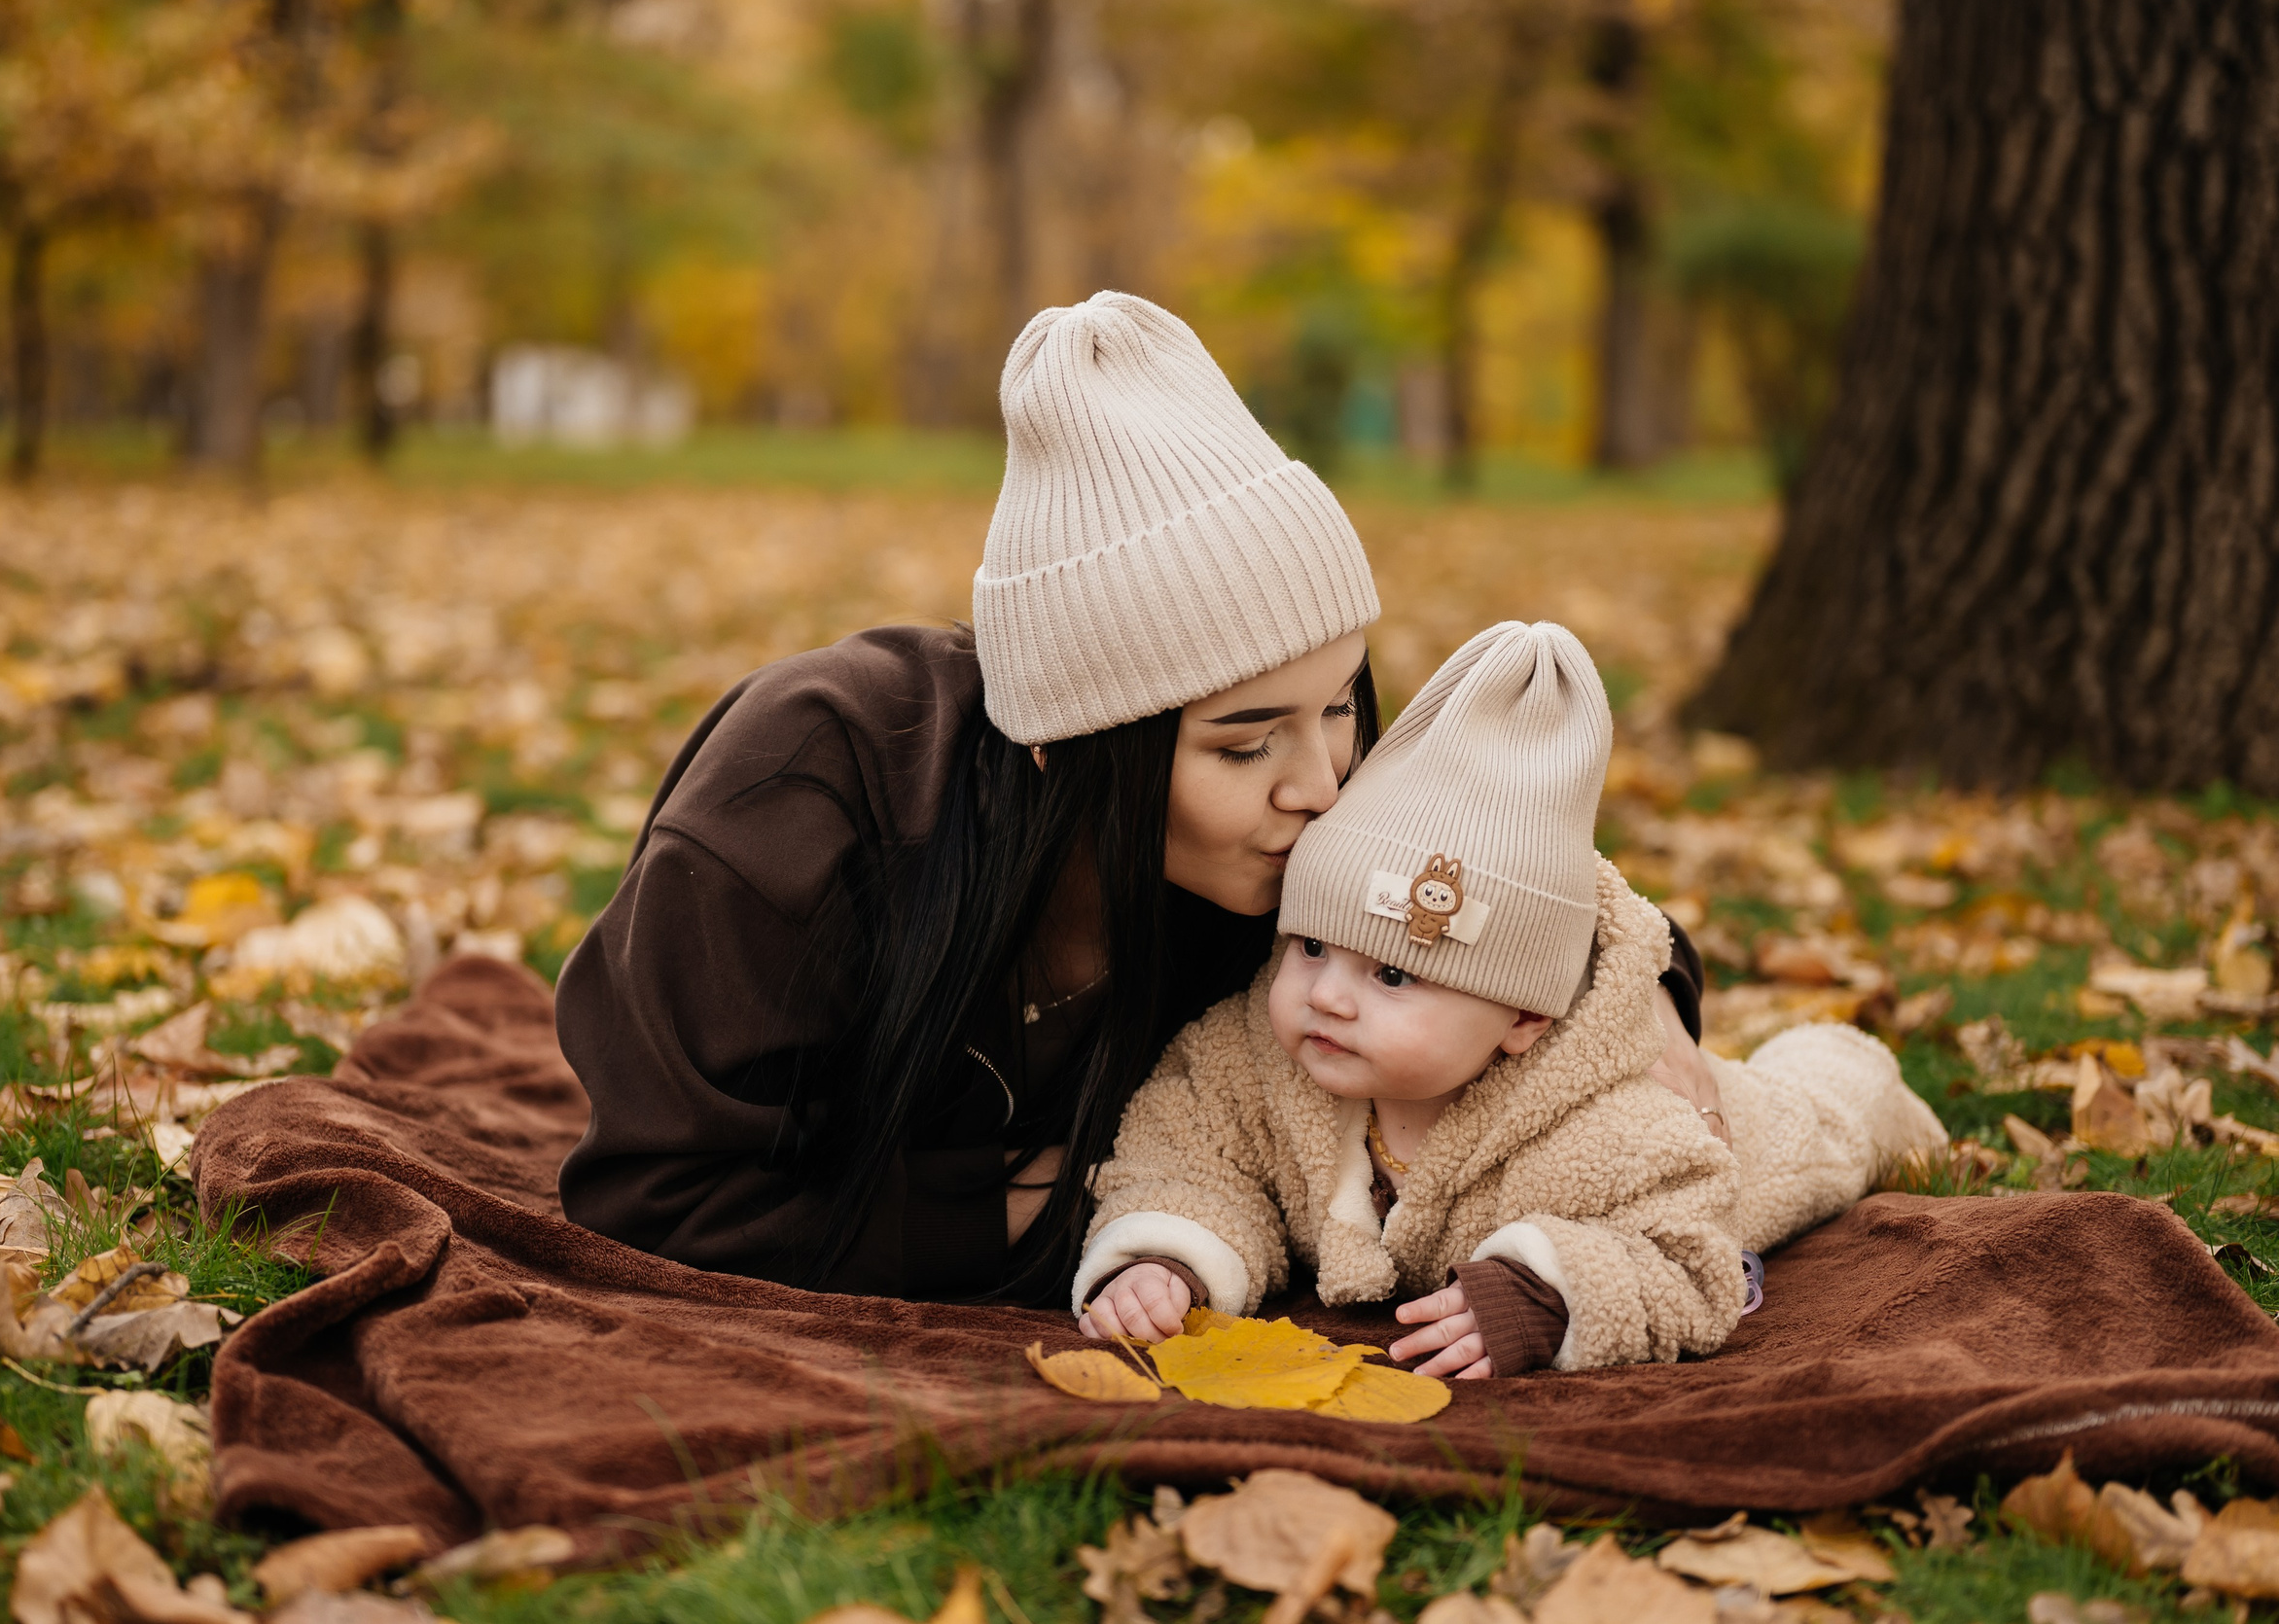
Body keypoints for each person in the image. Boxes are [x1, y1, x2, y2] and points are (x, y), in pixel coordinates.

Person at [555, 292, 1718, 1304]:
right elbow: (655, 1195)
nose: (1321, 787)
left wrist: (1637, 982)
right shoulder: (806, 788)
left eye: (1338, 706)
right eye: (1243, 743)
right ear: (1071, 750)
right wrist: (1067, 1202)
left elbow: (1490, 865)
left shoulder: (1297, 811)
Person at [1075, 622, 1947, 1372]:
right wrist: (1167, 1253)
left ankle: (1843, 1064)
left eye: (1391, 974)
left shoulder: (1614, 1127)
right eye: (1309, 946)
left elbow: (1689, 1257)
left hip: (1748, 1135)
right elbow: (1186, 1147)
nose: (1327, 997)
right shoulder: (1256, 1059)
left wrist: (1552, 1287)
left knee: (1828, 1118)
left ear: (1523, 1016)